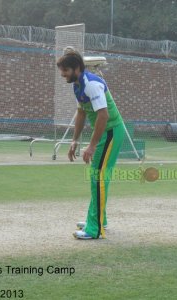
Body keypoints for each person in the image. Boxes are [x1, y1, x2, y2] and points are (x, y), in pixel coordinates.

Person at [56, 49, 125, 239]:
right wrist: (75, 140)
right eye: (62, 71)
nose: (63, 75)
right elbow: (81, 113)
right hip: (105, 133)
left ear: (77, 68)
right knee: (98, 176)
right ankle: (98, 219)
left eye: (66, 71)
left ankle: (94, 229)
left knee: (97, 177)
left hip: (111, 133)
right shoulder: (77, 85)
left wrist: (92, 145)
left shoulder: (91, 84)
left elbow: (104, 115)